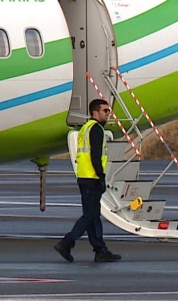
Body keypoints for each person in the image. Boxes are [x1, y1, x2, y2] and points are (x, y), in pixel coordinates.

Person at [54, 99, 121, 263]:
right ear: (95, 112)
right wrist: (101, 176)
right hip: (92, 177)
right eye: (105, 111)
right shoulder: (96, 129)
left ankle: (100, 250)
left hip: (84, 176)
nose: (108, 114)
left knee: (94, 215)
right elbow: (95, 156)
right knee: (90, 216)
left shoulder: (86, 128)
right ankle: (66, 242)